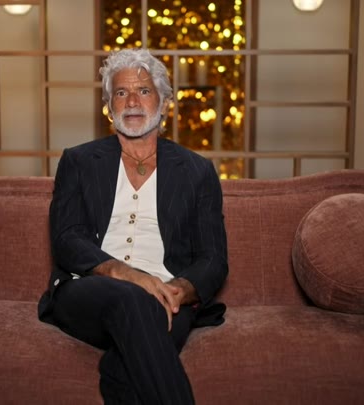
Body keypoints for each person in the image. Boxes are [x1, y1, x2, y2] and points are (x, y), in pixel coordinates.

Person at [37, 48, 228, 405]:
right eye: (121, 93)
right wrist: (124, 273)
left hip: (167, 293)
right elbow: (66, 238)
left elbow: (213, 258)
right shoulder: (78, 161)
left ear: (164, 103)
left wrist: (179, 290)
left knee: (121, 370)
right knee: (132, 299)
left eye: (144, 91)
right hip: (89, 289)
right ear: (109, 107)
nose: (133, 102)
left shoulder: (197, 171)